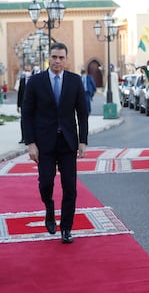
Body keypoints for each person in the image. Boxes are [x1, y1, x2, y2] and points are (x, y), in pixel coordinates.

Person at [22, 42, 89, 244]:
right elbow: (26, 114)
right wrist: (30, 143)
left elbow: (82, 114)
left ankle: (66, 228)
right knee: (46, 183)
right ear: (48, 58)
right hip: (44, 144)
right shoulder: (35, 82)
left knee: (70, 188)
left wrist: (83, 141)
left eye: (61, 57)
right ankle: (49, 208)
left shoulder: (75, 81)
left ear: (66, 59)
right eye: (54, 57)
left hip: (68, 143)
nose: (57, 61)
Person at [17, 64, 32, 143]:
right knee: (23, 121)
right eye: (26, 67)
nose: (27, 68)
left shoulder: (34, 78)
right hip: (24, 104)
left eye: (28, 67)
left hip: (33, 104)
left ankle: (31, 137)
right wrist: (18, 105)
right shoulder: (22, 80)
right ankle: (23, 138)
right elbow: (19, 93)